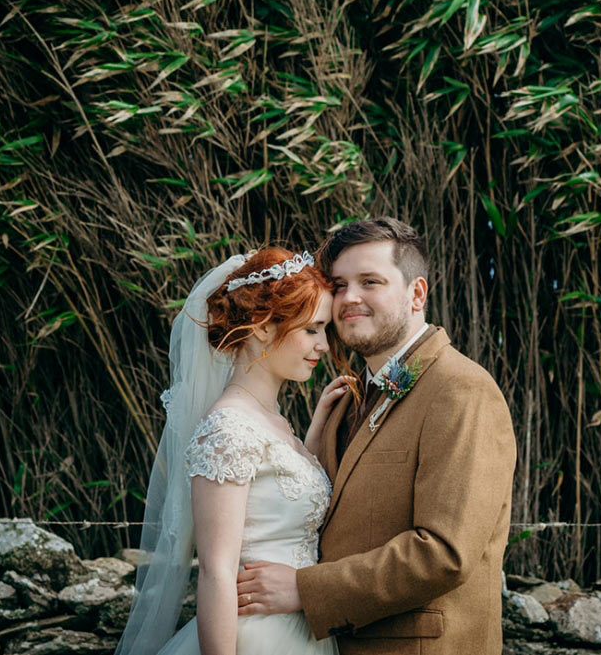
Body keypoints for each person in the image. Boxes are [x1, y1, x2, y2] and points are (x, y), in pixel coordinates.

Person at [235, 218, 517, 655]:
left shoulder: (461, 390)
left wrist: (305, 590)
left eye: (370, 281)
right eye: (339, 284)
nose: (350, 298)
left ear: (416, 293)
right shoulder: (346, 400)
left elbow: (444, 552)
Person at [115, 247, 355, 655]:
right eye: (312, 329)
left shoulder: (272, 420)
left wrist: (313, 435)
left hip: (301, 633)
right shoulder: (228, 428)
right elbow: (216, 572)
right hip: (257, 638)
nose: (321, 346)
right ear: (263, 327)